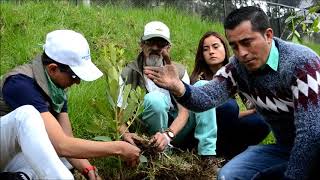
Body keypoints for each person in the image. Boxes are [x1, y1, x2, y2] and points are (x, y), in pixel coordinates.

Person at [144, 6, 320, 180]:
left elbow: (311, 133)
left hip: (315, 145)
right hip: (285, 149)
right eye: (234, 46)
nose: (241, 53)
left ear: (268, 35)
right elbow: (205, 99)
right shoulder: (237, 68)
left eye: (247, 42)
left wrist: (293, 176)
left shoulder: (302, 64)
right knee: (228, 175)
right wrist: (179, 87)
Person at [0, 30, 141, 180]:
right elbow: (62, 145)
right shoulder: (20, 84)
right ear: (53, 69)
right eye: (74, 75)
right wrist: (118, 148)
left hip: (13, 154)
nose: (78, 82)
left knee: (62, 160)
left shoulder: (56, 90)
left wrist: (88, 169)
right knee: (27, 115)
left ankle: (21, 176)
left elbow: (67, 140)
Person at [118, 21, 221, 169]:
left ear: (168, 48)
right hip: (146, 132)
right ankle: (158, 154)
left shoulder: (178, 71)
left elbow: (184, 113)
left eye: (160, 44)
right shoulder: (128, 73)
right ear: (141, 44)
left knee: (203, 87)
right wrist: (125, 134)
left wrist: (168, 134)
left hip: (175, 129)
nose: (154, 47)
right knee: (155, 100)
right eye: (150, 42)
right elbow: (118, 115)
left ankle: (207, 156)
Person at [190, 31, 270, 159]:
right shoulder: (198, 79)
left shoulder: (236, 74)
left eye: (216, 47)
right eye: (206, 49)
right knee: (229, 107)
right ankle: (208, 156)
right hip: (201, 132)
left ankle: (229, 157)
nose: (211, 51)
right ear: (202, 55)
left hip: (227, 128)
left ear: (225, 49)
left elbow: (254, 106)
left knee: (262, 121)